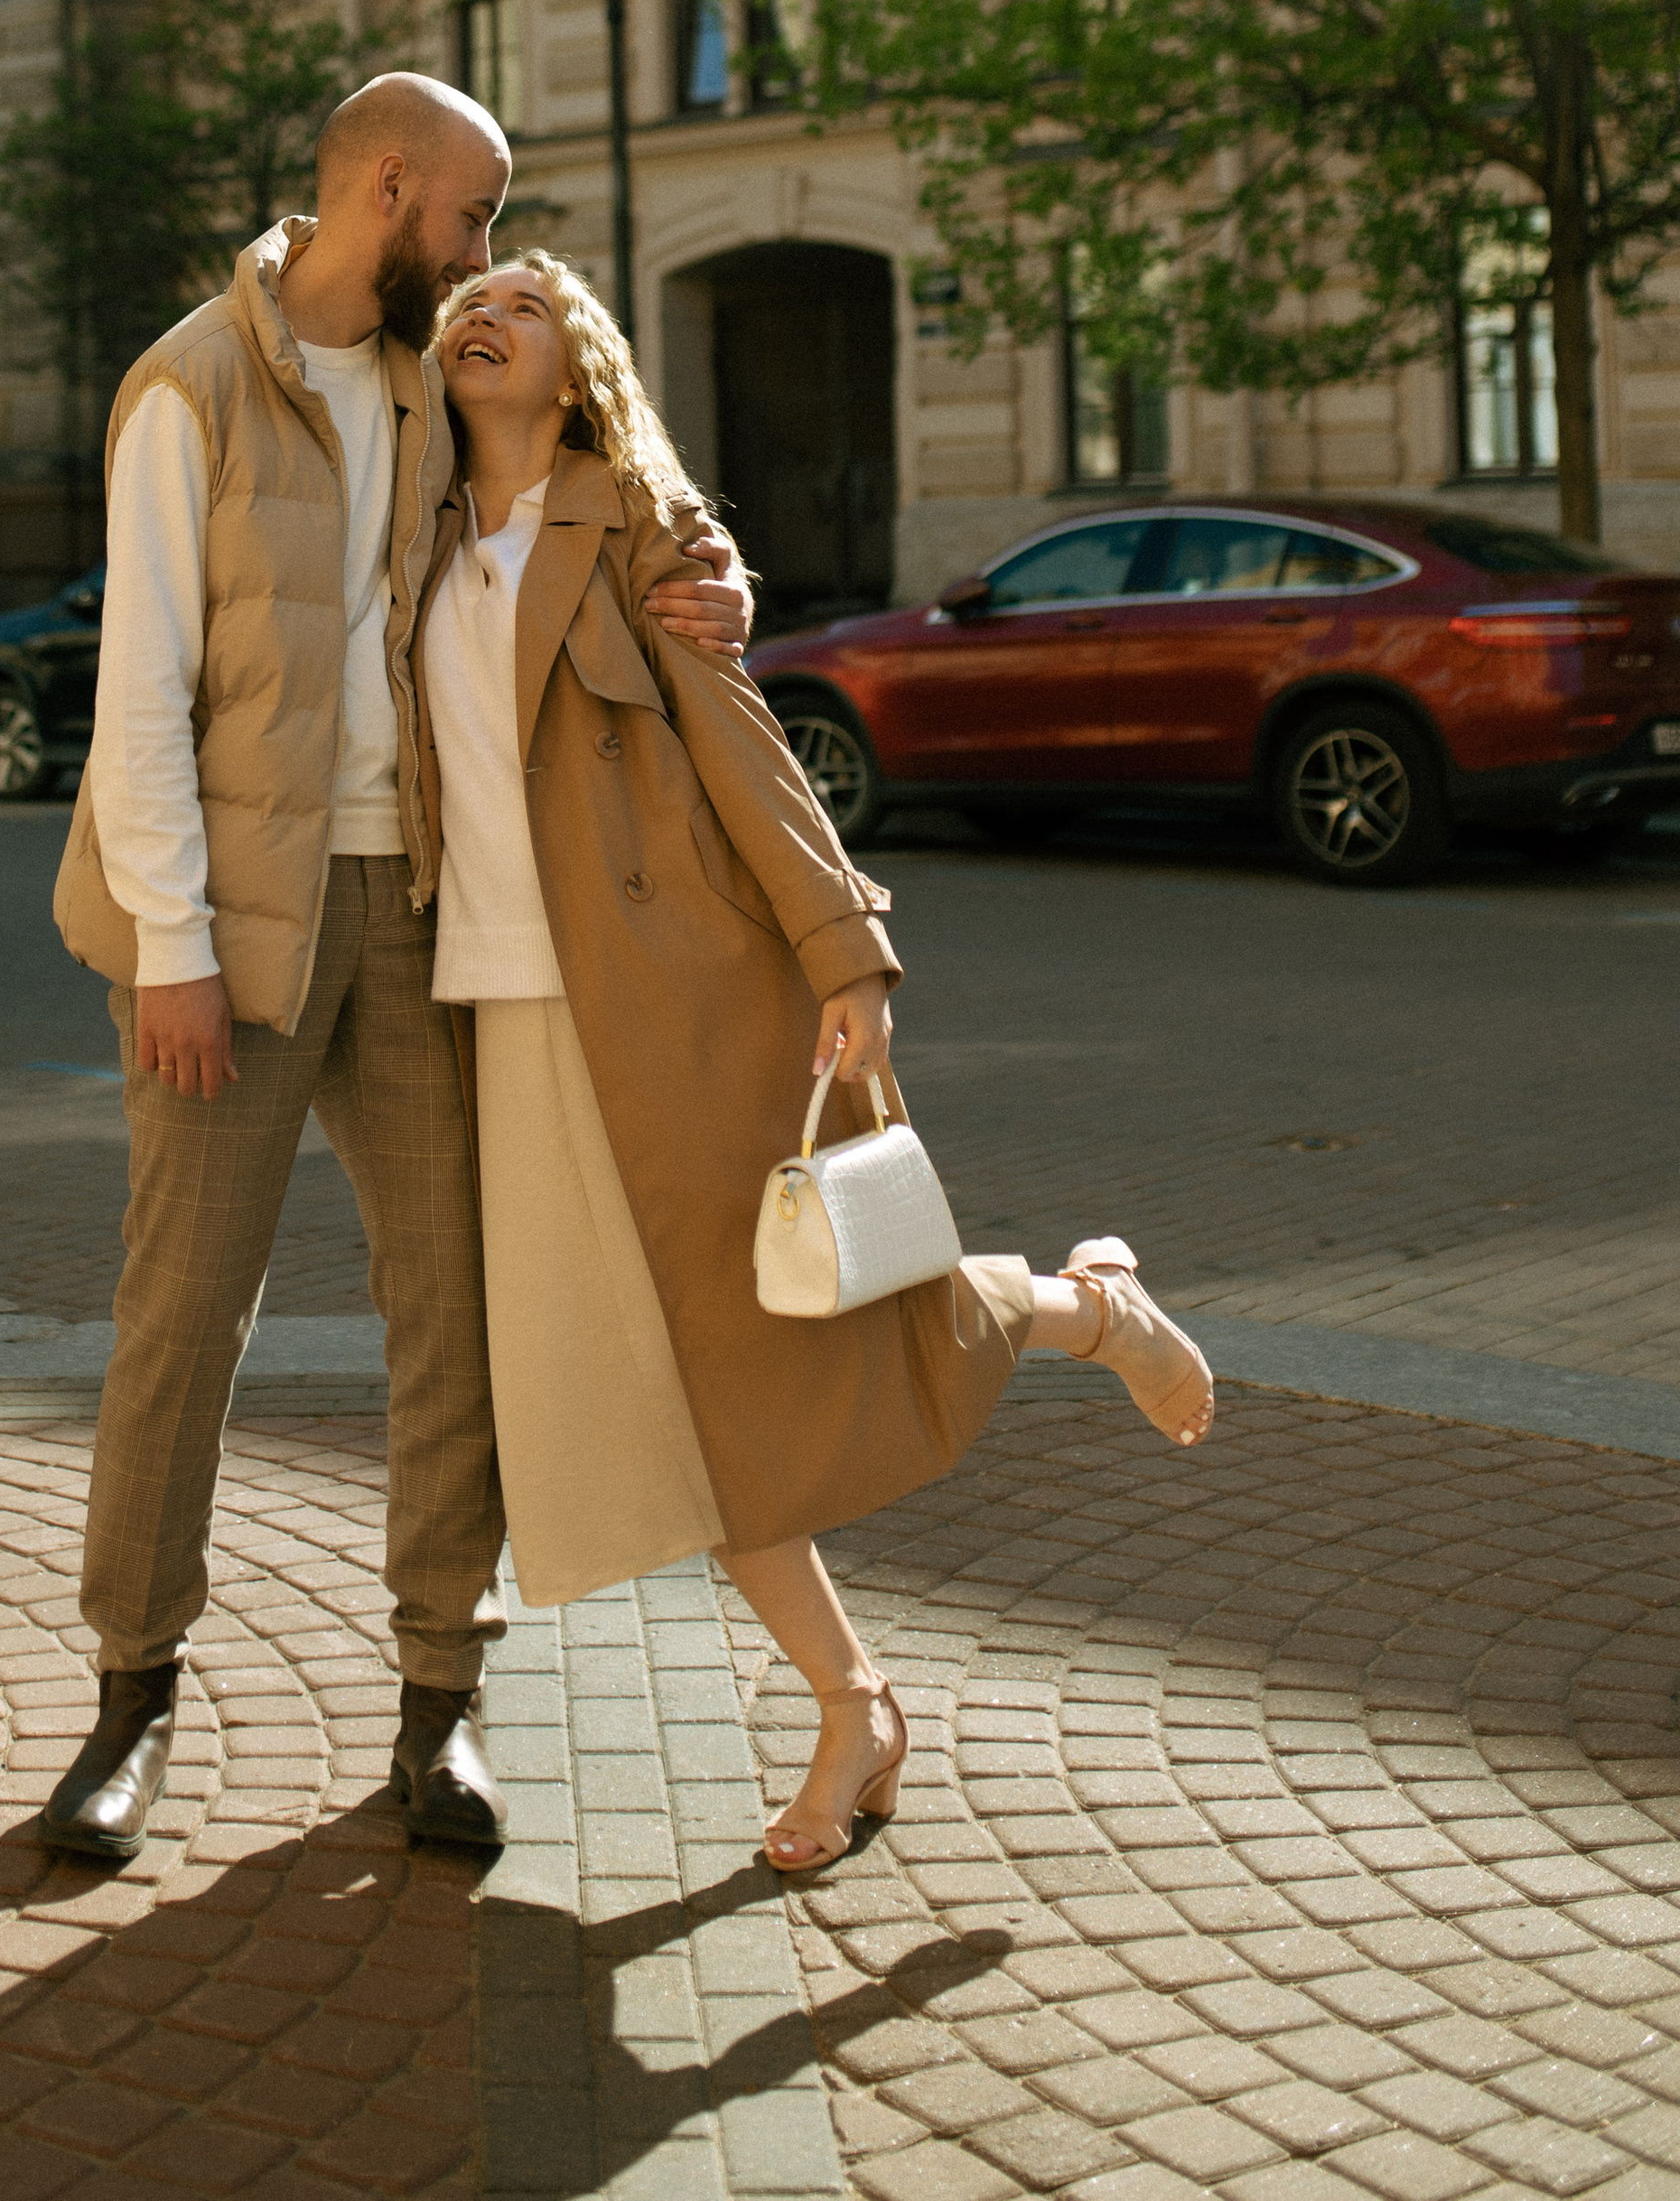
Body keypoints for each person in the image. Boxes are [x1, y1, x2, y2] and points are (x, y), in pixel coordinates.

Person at [420, 251, 1216, 1873]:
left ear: (575, 369)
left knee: (786, 1334)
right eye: (460, 299)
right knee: (690, 1404)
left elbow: (741, 741)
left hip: (680, 992)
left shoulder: (631, 523)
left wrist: (844, 950)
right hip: (502, 1014)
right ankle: (858, 1706)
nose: (479, 312)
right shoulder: (408, 530)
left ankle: (1083, 1313)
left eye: (523, 298)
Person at [42, 78, 753, 1869]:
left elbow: (599, 493)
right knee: (181, 1318)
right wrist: (179, 951)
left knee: (457, 1318)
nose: (486, 253)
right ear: (386, 185)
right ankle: (129, 1702)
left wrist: (716, 579)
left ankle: (439, 1711)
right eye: (474, 215)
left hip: (423, 914)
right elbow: (138, 694)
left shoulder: (444, 386)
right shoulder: (185, 387)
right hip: (232, 933)